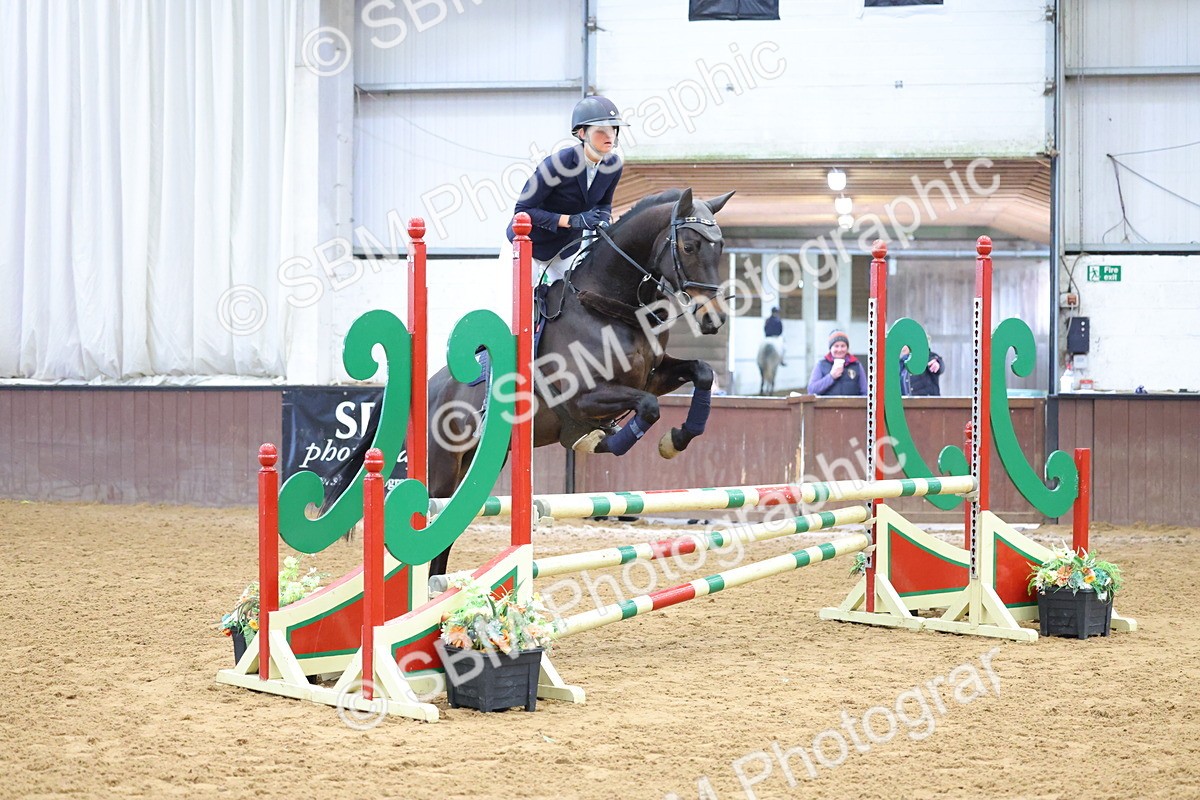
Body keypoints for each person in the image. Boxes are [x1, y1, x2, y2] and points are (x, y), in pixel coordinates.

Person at [506, 95, 624, 286]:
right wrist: (570, 220)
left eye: (613, 129)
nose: (610, 135)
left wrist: (603, 219)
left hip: (565, 248)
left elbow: (604, 203)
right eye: (601, 130)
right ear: (582, 133)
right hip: (529, 244)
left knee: (577, 298)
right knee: (517, 305)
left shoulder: (613, 166)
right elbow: (522, 210)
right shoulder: (557, 164)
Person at [807, 330, 867, 396]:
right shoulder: (821, 365)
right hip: (827, 406)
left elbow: (865, 391)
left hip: (852, 406)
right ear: (830, 348)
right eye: (836, 346)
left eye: (843, 346)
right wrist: (831, 376)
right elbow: (812, 390)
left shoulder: (856, 365)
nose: (839, 350)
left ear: (847, 348)